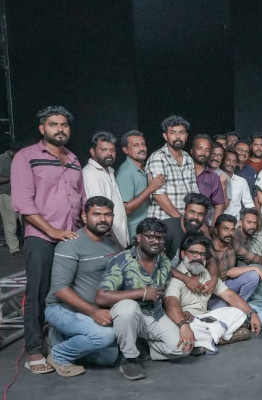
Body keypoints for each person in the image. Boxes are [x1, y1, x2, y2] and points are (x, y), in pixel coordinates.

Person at [11, 106, 85, 373]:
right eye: (53, 124)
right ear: (42, 128)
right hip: (42, 237)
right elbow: (23, 203)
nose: (60, 129)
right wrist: (52, 231)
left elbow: (81, 198)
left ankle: (59, 345)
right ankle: (34, 350)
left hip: (71, 236)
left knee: (68, 292)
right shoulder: (26, 157)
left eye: (64, 125)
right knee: (38, 293)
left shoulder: (73, 159)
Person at [95, 218, 181, 380]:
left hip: (155, 315)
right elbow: (101, 297)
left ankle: (144, 348)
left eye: (160, 238)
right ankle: (129, 358)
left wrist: (181, 320)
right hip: (129, 317)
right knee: (128, 308)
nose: (156, 241)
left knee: (181, 348)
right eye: (151, 237)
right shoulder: (122, 260)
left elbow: (165, 294)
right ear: (139, 237)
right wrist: (142, 293)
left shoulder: (164, 262)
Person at [44, 196, 121, 376]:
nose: (103, 219)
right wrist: (94, 312)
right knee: (104, 336)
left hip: (93, 309)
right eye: (96, 214)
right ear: (85, 217)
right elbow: (60, 289)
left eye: (108, 215)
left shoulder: (111, 243)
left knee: (110, 356)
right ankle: (58, 355)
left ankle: (59, 337)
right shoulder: (70, 244)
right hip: (62, 309)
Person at [163, 234, 262, 355]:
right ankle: (222, 337)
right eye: (194, 253)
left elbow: (229, 295)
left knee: (239, 312)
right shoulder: (176, 277)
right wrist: (183, 324)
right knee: (182, 329)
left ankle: (207, 342)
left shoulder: (206, 274)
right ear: (183, 254)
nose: (198, 258)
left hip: (205, 317)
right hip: (187, 320)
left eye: (202, 254)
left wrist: (252, 314)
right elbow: (171, 304)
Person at [145, 115, 199, 220]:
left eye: (181, 132)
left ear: (186, 136)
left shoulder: (188, 158)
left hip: (185, 220)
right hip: (162, 221)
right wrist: (180, 219)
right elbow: (158, 195)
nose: (178, 137)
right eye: (173, 132)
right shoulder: (158, 157)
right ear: (165, 136)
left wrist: (192, 218)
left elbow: (194, 191)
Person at [82, 131, 129, 247]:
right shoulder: (90, 174)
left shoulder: (109, 171)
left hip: (117, 241)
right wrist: (117, 246)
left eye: (112, 150)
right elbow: (99, 216)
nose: (109, 153)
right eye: (103, 150)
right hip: (107, 243)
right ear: (92, 151)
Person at [116, 130, 166, 240]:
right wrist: (150, 189)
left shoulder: (145, 167)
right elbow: (126, 209)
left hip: (148, 230)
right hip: (135, 234)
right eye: (136, 145)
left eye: (143, 144)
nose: (141, 148)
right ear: (125, 150)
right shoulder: (125, 172)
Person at [207, 214, 262, 307]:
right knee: (223, 311)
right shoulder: (208, 248)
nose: (230, 233)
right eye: (226, 229)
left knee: (253, 276)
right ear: (216, 230)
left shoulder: (233, 244)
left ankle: (238, 305)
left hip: (229, 284)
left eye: (232, 230)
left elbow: (253, 258)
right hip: (213, 289)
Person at [162, 193, 210, 261]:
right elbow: (158, 261)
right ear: (185, 211)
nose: (195, 217)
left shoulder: (200, 234)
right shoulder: (167, 228)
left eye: (200, 214)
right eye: (192, 212)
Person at [190, 134, 226, 224]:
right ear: (191, 151)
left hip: (202, 225)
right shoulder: (181, 170)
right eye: (200, 148)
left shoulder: (213, 177)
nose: (203, 153)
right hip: (179, 222)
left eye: (207, 150)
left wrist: (213, 227)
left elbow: (219, 204)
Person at [221, 148, 254, 220]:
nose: (231, 164)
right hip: (216, 221)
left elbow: (249, 204)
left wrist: (255, 217)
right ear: (222, 161)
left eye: (234, 161)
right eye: (228, 160)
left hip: (235, 222)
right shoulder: (214, 178)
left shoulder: (241, 181)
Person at [0, 143, 21, 256]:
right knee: (10, 223)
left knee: (26, 221)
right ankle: (14, 249)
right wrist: (12, 177)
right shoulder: (2, 159)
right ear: (12, 151)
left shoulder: (19, 158)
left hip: (19, 194)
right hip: (6, 194)